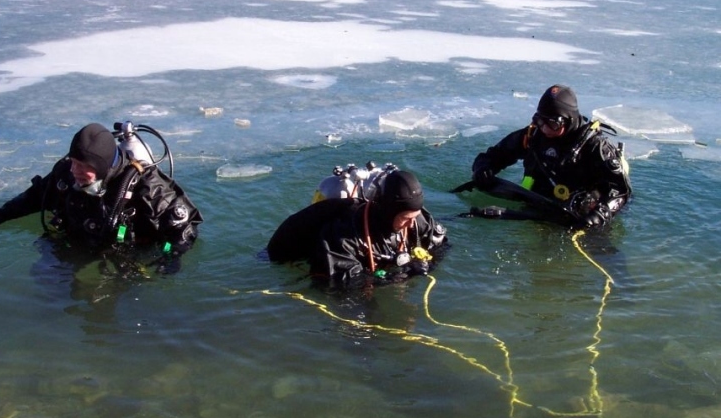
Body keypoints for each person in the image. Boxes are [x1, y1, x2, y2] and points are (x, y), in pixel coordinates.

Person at [0, 122, 203, 274]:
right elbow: (35, 197)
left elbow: (184, 229)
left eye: (83, 165)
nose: (74, 170)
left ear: (104, 167)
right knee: (46, 283)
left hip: (126, 253)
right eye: (73, 161)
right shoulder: (67, 174)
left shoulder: (147, 188)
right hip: (74, 242)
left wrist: (171, 255)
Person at [469, 84, 632, 228]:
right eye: (540, 121)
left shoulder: (595, 146)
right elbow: (495, 155)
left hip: (580, 214)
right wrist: (483, 168)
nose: (545, 129)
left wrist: (601, 214)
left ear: (569, 120)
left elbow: (621, 191)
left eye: (553, 124)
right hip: (536, 203)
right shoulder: (533, 135)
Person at [267, 170, 448, 286]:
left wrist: (429, 265)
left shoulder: (415, 217)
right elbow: (338, 282)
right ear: (387, 212)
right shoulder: (346, 233)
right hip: (287, 256)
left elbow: (442, 244)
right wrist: (402, 274)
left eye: (414, 217)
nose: (411, 224)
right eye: (404, 218)